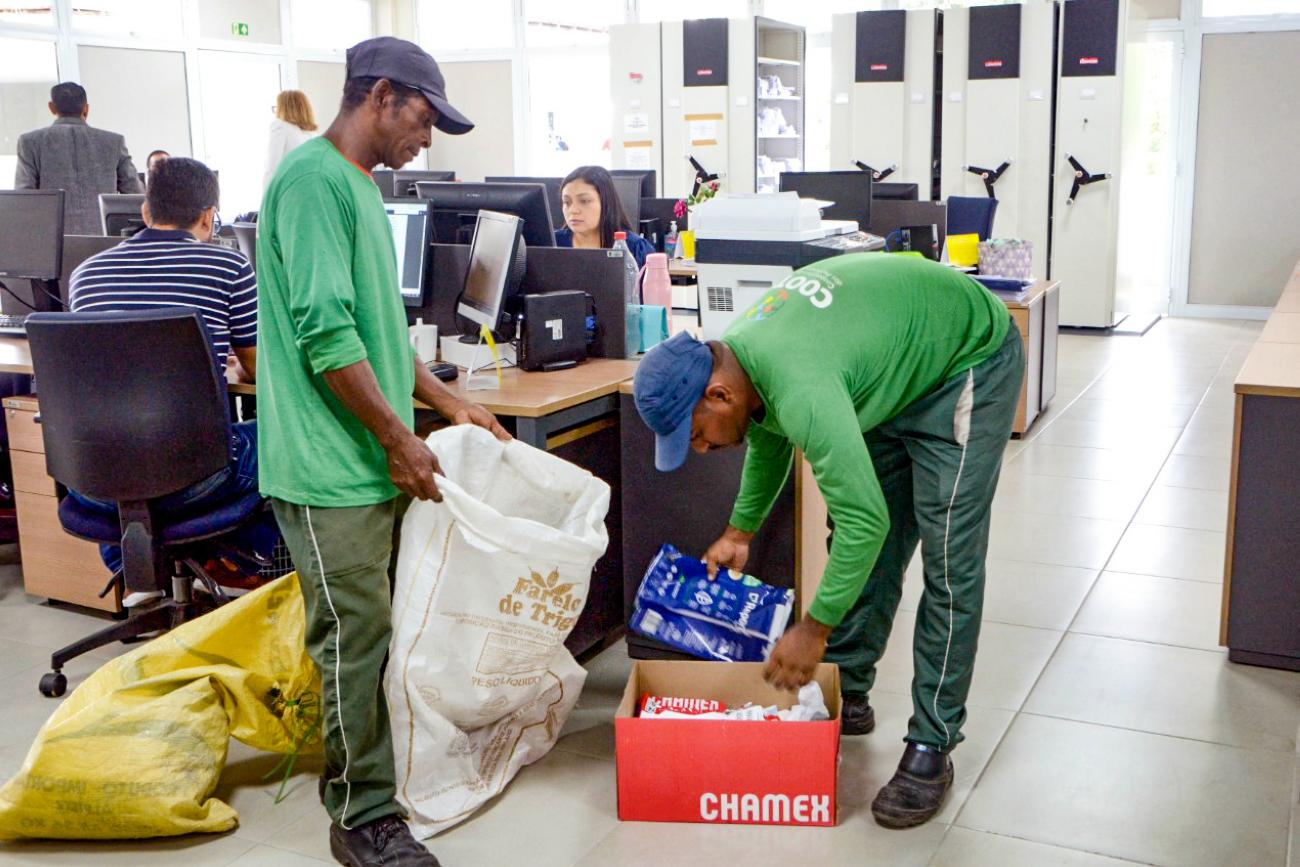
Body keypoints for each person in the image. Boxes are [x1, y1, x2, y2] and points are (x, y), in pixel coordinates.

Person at [633, 254, 1023, 830]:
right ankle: (851, 688)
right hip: (891, 364)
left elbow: (865, 518)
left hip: (964, 358)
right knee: (865, 538)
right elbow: (767, 436)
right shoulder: (740, 360)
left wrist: (813, 629)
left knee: (947, 555)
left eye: (694, 435)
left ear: (718, 396)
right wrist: (740, 530)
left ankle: (932, 744)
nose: (700, 450)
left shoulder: (800, 385)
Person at [256, 36, 508, 867]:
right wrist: (400, 438)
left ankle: (378, 777)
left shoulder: (358, 186)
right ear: (383, 96)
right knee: (353, 636)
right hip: (328, 469)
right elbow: (327, 336)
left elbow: (378, 329)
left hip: (365, 457)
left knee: (377, 631)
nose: (427, 140)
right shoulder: (310, 182)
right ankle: (360, 817)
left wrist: (446, 400)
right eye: (425, 119)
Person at [66, 156, 259, 594]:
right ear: (209, 217)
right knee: (287, 434)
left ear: (145, 212)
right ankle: (251, 580)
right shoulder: (227, 268)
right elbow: (258, 373)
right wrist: (213, 364)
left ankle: (139, 577)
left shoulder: (85, 276)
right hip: (194, 479)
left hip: (94, 481)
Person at [14, 82, 143, 235]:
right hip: (103, 240)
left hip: (54, 241)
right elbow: (135, 193)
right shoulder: (114, 141)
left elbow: (24, 199)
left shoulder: (30, 142)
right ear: (86, 108)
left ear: (52, 107)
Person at [555, 165, 654, 267]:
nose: (573, 210)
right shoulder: (552, 243)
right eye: (567, 202)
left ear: (606, 202)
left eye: (584, 201)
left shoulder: (635, 248)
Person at [264, 89, 318, 189]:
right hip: (307, 190)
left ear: (284, 109)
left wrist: (266, 201)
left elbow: (272, 168)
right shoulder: (313, 135)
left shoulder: (280, 126)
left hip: (288, 191)